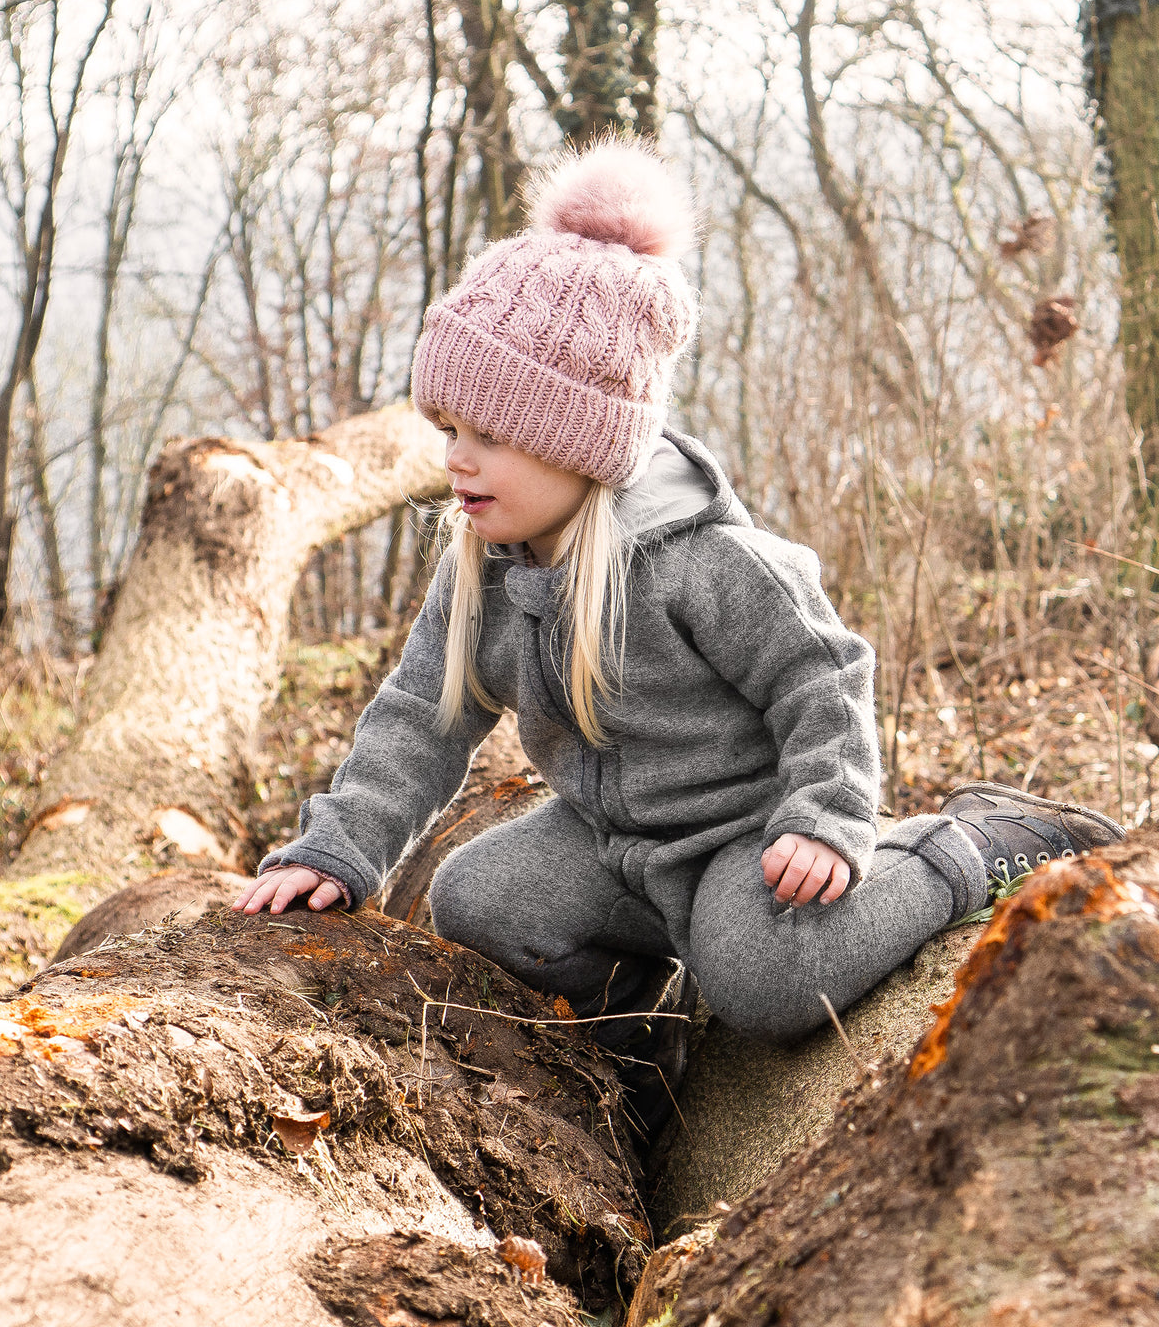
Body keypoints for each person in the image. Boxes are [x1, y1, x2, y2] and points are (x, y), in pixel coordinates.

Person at [232, 138, 1123, 1133]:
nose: (455, 460)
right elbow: (420, 717)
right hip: (607, 845)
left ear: (578, 440)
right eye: (447, 430)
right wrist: (338, 851)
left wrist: (825, 815)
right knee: (477, 898)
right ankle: (639, 1054)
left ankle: (975, 840)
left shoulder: (704, 561)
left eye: (489, 435)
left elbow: (825, 676)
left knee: (767, 981)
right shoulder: (483, 568)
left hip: (742, 839)